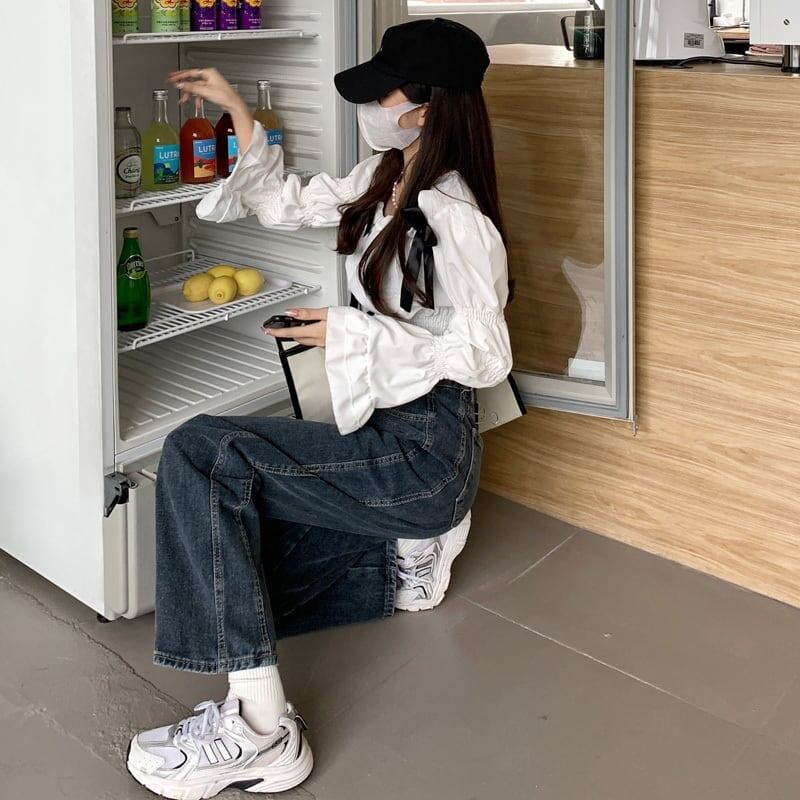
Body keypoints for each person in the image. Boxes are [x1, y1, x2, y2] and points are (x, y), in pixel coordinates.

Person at [126, 18, 512, 799]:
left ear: (428, 107)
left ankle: (263, 733)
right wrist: (239, 111)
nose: (370, 105)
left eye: (384, 93)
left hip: (426, 452)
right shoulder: (384, 172)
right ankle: (403, 560)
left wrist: (353, 331)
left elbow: (486, 356)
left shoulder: (455, 216)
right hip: (383, 430)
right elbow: (283, 202)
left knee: (202, 452)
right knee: (229, 581)